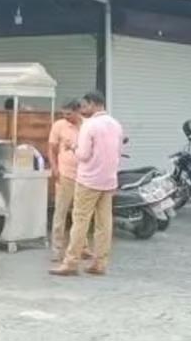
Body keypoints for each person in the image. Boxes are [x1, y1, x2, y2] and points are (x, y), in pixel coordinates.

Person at [50, 91, 124, 277]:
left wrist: (73, 147)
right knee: (104, 223)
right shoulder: (116, 125)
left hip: (88, 180)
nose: (82, 110)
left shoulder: (89, 125)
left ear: (93, 104)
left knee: (80, 221)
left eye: (85, 106)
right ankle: (100, 263)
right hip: (108, 181)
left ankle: (71, 262)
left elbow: (83, 155)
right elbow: (118, 153)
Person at [48, 100, 89, 262]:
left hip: (84, 175)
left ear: (78, 111)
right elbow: (51, 148)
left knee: (81, 213)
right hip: (65, 174)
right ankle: (57, 249)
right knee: (61, 211)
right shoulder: (59, 125)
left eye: (69, 114)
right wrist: (54, 168)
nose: (66, 117)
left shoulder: (88, 125)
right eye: (63, 114)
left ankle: (82, 247)